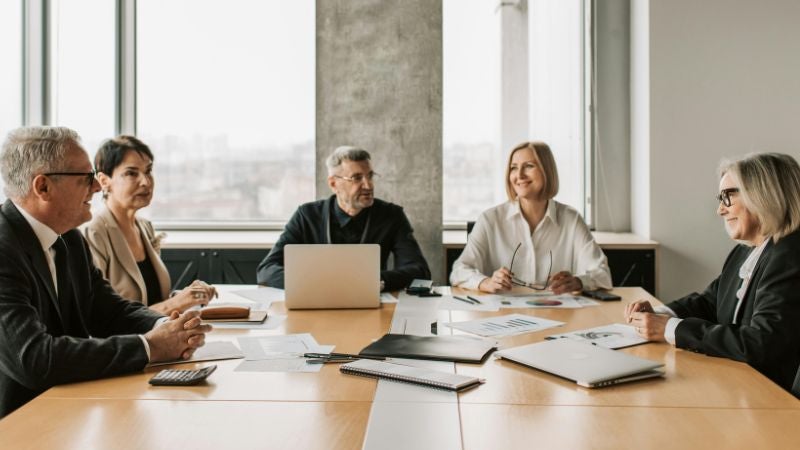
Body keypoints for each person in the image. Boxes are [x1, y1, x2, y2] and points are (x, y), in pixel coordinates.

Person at [0, 126, 211, 418]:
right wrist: (149, 347)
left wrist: (171, 326)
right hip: (15, 424)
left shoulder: (69, 239)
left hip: (66, 412)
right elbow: (34, 359)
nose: (97, 187)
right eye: (85, 178)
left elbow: (108, 312)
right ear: (43, 187)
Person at [625, 152, 800, 394]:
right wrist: (661, 313)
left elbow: (762, 342)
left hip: (772, 400)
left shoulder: (791, 255)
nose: (720, 210)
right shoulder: (745, 252)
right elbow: (710, 301)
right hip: (739, 387)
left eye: (727, 197)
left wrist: (670, 328)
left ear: (762, 195)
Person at [256, 145, 431, 291]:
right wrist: (318, 283)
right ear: (334, 184)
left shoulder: (391, 215)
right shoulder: (307, 216)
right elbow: (267, 270)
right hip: (318, 304)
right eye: (357, 178)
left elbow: (420, 271)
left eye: (370, 176)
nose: (368, 185)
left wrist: (375, 281)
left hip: (370, 303)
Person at [450, 141, 612, 294]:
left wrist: (578, 281)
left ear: (547, 171)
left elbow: (602, 274)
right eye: (513, 168)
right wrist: (486, 282)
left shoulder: (571, 219)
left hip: (558, 315)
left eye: (528, 166)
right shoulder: (490, 219)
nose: (519, 175)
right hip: (503, 316)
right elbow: (459, 271)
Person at [84, 136, 215, 315]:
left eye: (148, 171)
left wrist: (186, 297)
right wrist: (175, 304)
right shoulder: (93, 232)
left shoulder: (144, 227)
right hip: (127, 342)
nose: (145, 181)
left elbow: (153, 301)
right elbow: (99, 318)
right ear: (104, 181)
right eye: (131, 173)